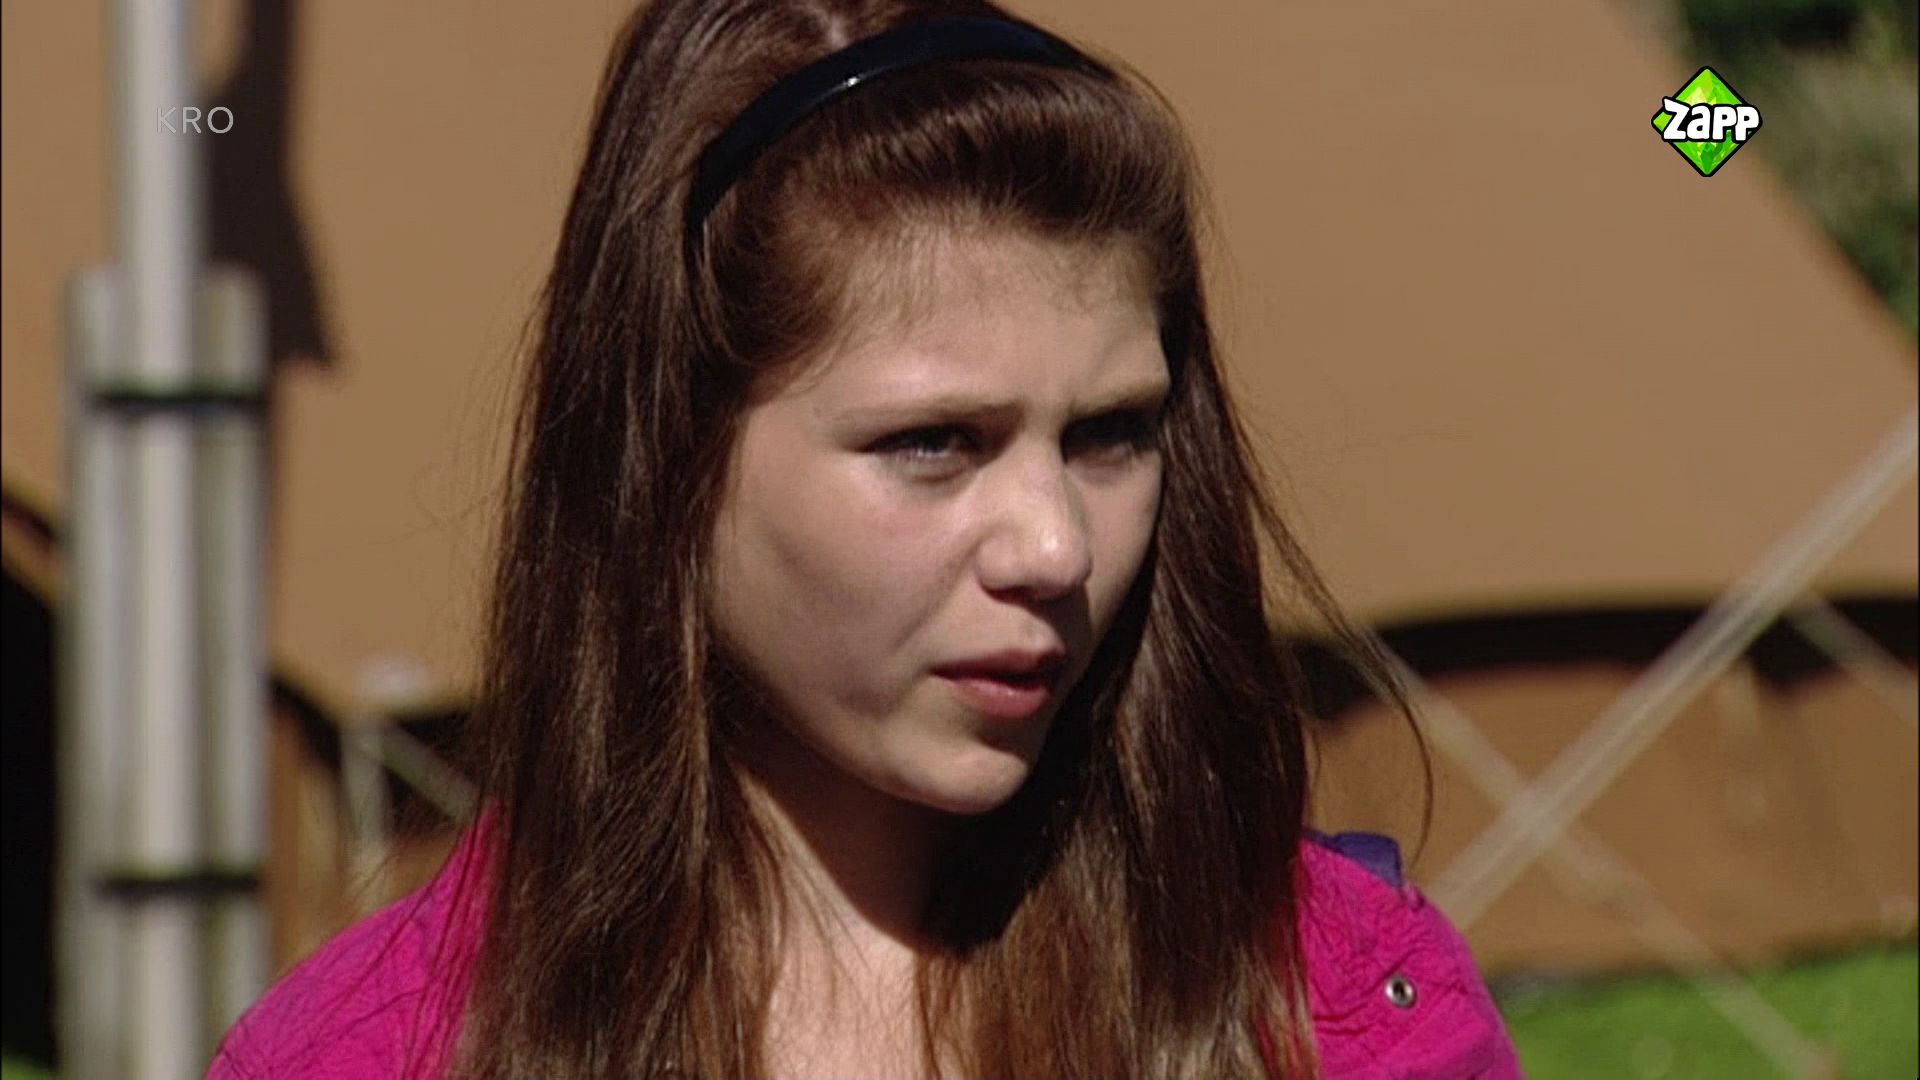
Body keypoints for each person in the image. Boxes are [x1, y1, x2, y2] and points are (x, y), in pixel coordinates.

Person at [209, 0, 1523, 1076]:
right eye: (935, 442)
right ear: (669, 458)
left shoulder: (1338, 1003)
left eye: (1112, 433)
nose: (1054, 548)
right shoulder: (377, 1055)